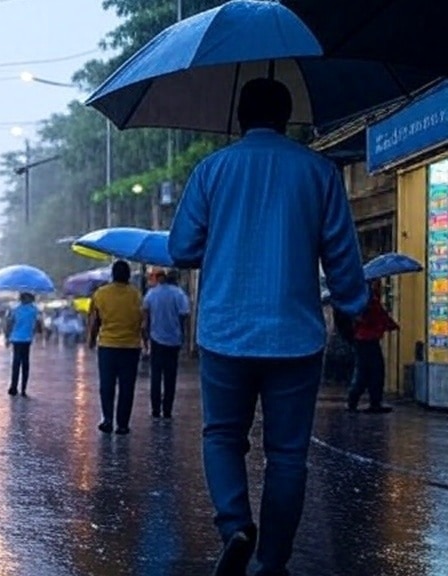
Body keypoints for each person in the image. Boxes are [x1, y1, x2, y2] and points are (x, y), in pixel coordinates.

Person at [168, 78, 369, 576]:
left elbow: (182, 249)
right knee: (287, 455)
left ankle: (235, 525)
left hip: (225, 333)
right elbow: (343, 255)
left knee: (222, 436)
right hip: (295, 336)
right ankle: (272, 560)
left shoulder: (212, 171)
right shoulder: (319, 171)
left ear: (240, 118)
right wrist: (351, 304)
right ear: (287, 117)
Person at [88, 260, 144, 435]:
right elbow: (142, 321)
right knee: (127, 387)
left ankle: (108, 419)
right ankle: (123, 424)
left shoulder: (100, 294)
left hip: (107, 346)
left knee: (107, 385)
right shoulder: (136, 295)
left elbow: (94, 321)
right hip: (131, 347)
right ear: (128, 275)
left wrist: (90, 340)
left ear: (112, 274)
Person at [143, 269, 191, 419]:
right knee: (170, 377)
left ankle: (155, 409)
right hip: (173, 340)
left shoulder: (151, 294)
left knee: (156, 376)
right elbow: (185, 314)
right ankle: (167, 409)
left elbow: (146, 316)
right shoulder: (179, 294)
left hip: (156, 339)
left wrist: (146, 340)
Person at [348, 280, 398, 413]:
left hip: (365, 339)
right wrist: (388, 324)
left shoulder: (366, 299)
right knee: (372, 371)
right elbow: (376, 317)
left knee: (367, 371)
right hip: (367, 340)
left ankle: (360, 401)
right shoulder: (368, 300)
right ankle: (368, 402)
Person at [6, 293, 39, 396]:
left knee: (16, 363)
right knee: (25, 363)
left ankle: (13, 387)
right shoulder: (34, 310)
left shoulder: (15, 310)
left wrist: (7, 337)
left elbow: (9, 323)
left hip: (16, 338)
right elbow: (36, 325)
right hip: (27, 339)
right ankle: (23, 388)